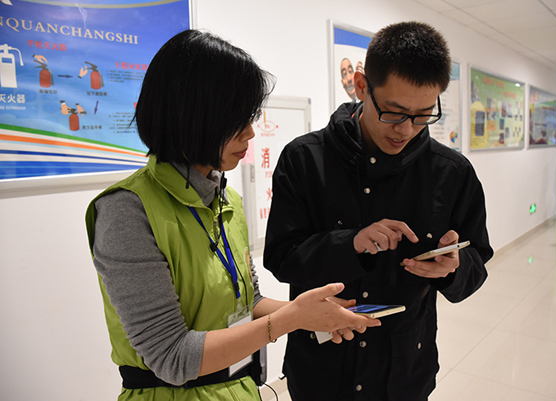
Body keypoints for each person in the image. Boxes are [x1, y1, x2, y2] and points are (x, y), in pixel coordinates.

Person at [84, 30, 381, 401]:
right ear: (190, 116)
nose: (251, 133)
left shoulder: (227, 200)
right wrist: (290, 319)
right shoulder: (128, 211)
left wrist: (308, 312)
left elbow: (247, 303)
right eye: (236, 119)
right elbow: (171, 357)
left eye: (250, 117)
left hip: (238, 389)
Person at [264, 21, 493, 400]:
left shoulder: (451, 172)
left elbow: (477, 262)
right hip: (321, 370)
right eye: (394, 112)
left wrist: (454, 267)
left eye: (423, 115)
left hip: (404, 372)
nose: (406, 129)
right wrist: (350, 243)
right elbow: (280, 258)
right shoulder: (304, 159)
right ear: (361, 86)